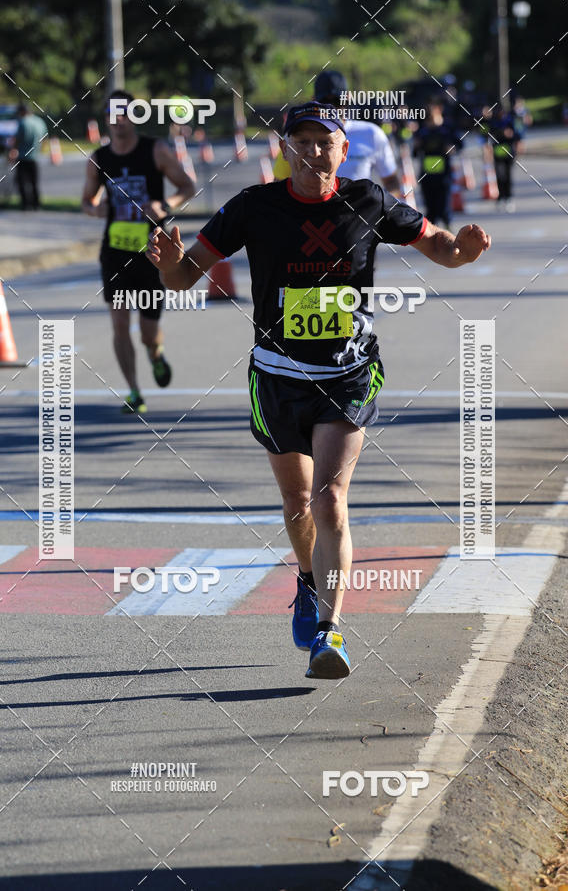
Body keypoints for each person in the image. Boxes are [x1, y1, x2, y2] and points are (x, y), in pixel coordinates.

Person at [147, 101, 491, 679]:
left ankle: (330, 633)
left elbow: (438, 246)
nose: (313, 151)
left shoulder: (368, 200)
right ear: (285, 150)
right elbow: (185, 276)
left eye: (324, 141)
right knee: (296, 503)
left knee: (330, 499)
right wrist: (168, 266)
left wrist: (465, 251)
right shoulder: (252, 207)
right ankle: (308, 581)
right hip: (276, 376)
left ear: (342, 149)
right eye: (301, 141)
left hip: (349, 372)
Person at [82, 90, 195, 414]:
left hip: (153, 252)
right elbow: (86, 203)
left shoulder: (155, 150)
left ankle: (155, 354)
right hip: (116, 252)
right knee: (119, 325)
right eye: (112, 114)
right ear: (106, 119)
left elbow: (186, 186)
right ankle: (133, 391)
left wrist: (164, 204)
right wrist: (98, 209)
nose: (118, 120)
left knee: (148, 333)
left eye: (125, 113)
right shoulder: (99, 158)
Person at [273, 71, 401, 196]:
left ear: (344, 149)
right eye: (325, 103)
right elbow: (278, 189)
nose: (332, 108)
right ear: (314, 100)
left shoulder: (371, 134)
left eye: (338, 101)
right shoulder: (295, 137)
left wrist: (379, 212)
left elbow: (391, 182)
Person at [413, 99, 463, 230]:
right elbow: (415, 153)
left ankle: (449, 231)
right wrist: (416, 146)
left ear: (438, 110)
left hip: (444, 175)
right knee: (430, 209)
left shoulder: (447, 128)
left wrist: (452, 148)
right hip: (427, 175)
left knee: (444, 207)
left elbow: (460, 144)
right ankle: (433, 238)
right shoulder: (422, 131)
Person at [480, 106, 522, 212]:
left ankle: (508, 197)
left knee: (507, 176)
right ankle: (500, 197)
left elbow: (517, 135)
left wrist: (517, 148)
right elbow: (485, 135)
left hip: (508, 153)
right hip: (498, 154)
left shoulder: (510, 121)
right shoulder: (492, 122)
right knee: (499, 176)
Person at [10, 104, 47, 210]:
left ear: (22, 112)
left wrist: (12, 151)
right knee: (34, 182)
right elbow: (44, 138)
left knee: (22, 182)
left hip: (22, 156)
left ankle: (25, 204)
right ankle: (36, 204)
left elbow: (17, 140)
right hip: (35, 156)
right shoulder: (40, 121)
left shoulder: (23, 122)